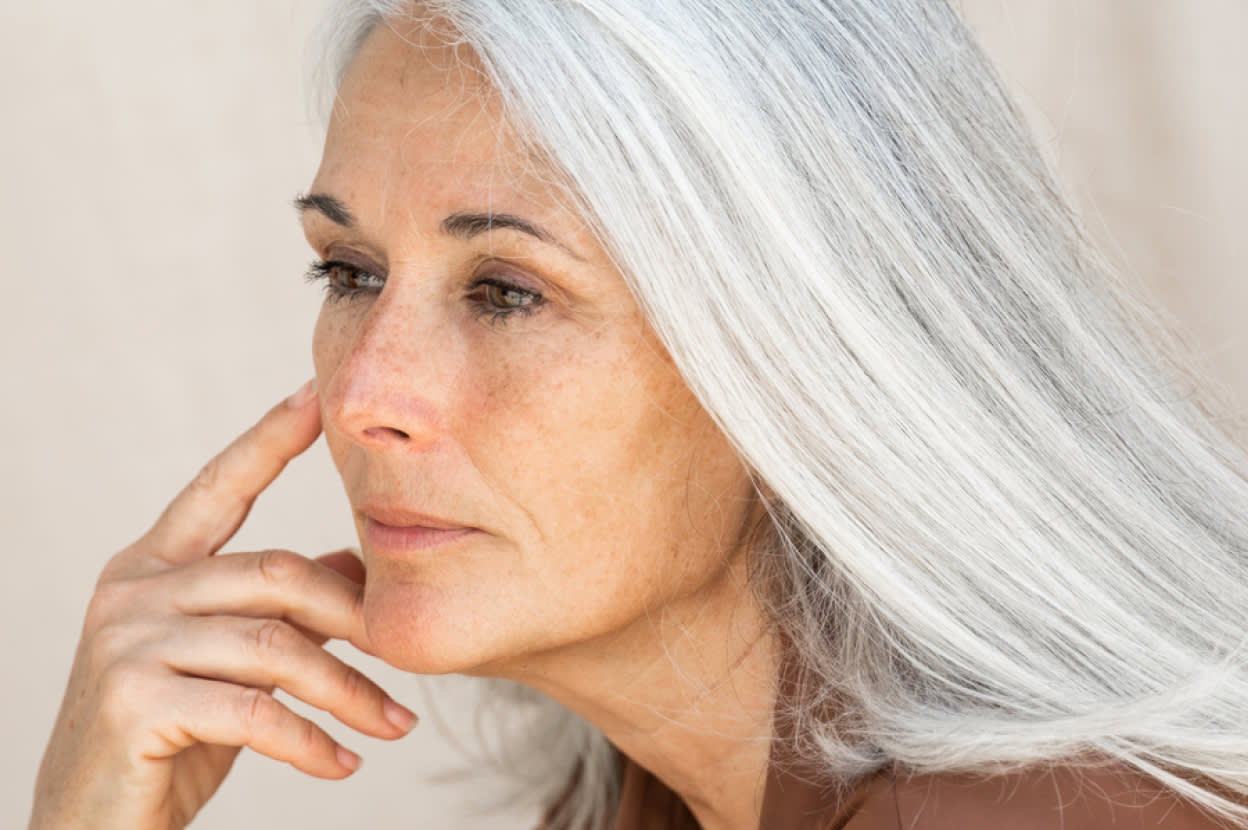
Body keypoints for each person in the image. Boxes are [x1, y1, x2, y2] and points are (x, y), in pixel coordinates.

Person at [28, 1, 1248, 828]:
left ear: (814, 348)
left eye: (507, 290)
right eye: (349, 272)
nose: (362, 398)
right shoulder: (658, 790)